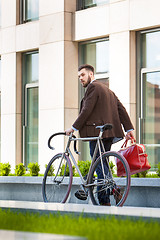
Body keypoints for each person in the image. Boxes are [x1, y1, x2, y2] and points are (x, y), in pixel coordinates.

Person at [65, 64, 134, 206]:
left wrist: (73, 127)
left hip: (97, 133)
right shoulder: (108, 90)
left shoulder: (93, 87)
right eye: (79, 76)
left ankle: (107, 194)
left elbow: (86, 110)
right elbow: (121, 109)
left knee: (99, 163)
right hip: (109, 132)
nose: (80, 78)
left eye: (83, 75)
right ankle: (106, 194)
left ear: (91, 74)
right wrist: (128, 129)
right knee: (102, 164)